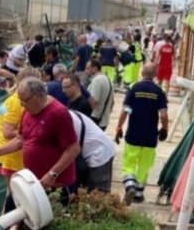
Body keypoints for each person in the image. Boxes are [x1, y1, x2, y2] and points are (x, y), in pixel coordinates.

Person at [0, 78, 80, 191]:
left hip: (54, 183)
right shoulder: (28, 111)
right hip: (33, 181)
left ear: (37, 96)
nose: (21, 104)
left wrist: (52, 174)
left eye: (24, 100)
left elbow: (73, 149)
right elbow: (20, 140)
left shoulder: (58, 113)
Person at [114, 63, 168, 204]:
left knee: (129, 163)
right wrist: (165, 129)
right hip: (150, 136)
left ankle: (130, 185)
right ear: (154, 75)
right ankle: (138, 194)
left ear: (142, 73)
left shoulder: (134, 88)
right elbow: (163, 114)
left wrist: (118, 127)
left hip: (133, 134)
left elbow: (126, 110)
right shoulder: (159, 91)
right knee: (144, 165)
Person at [0, 67, 42, 210]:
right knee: (15, 196)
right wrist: (33, 131)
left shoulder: (12, 100)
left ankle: (8, 223)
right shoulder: (15, 102)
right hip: (13, 157)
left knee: (14, 194)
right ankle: (8, 224)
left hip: (12, 155)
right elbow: (8, 132)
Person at [68, 110, 115, 193]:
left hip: (100, 152)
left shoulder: (63, 118)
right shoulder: (61, 114)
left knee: (98, 194)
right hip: (88, 150)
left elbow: (72, 150)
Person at [85, 59, 114, 130]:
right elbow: (112, 103)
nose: (86, 71)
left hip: (95, 120)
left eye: (88, 68)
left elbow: (94, 101)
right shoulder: (108, 79)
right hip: (104, 120)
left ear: (94, 68)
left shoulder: (97, 80)